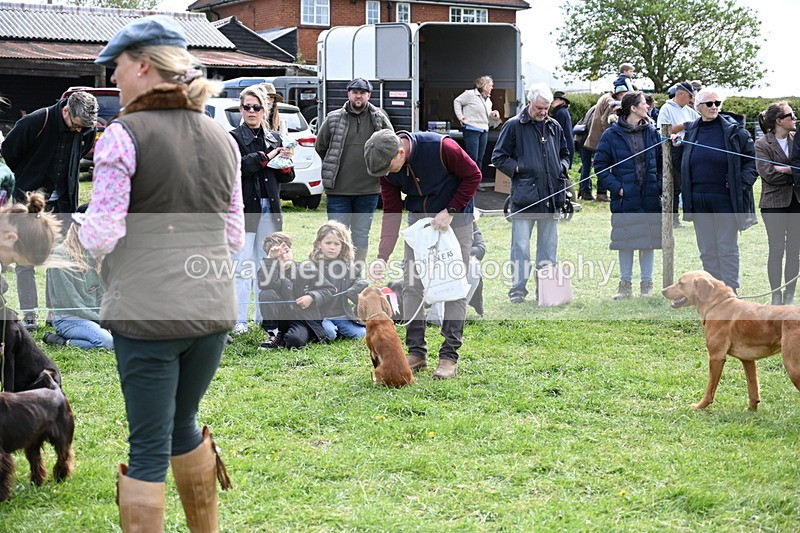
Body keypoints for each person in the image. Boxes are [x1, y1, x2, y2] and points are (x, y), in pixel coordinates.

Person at [78, 15, 244, 532]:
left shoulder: (122, 136)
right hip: (212, 309)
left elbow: (101, 232)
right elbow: (234, 236)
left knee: (147, 445)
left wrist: (83, 236)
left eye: (118, 67)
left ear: (144, 67)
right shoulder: (224, 136)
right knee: (183, 426)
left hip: (147, 312)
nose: (112, 79)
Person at [364, 127, 481, 379]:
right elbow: (392, 211)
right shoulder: (387, 167)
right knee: (411, 286)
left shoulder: (442, 147)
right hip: (419, 225)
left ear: (400, 152)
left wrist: (451, 209)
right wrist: (382, 256)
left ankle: (449, 357)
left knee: (453, 288)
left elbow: (473, 174)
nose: (385, 174)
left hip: (456, 221)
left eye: (387, 168)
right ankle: (416, 352)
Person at [2, 90, 98, 330]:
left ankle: (54, 313)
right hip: (30, 201)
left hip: (63, 202)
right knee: (25, 259)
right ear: (66, 110)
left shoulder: (84, 129)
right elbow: (9, 152)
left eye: (83, 128)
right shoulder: (36, 121)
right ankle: (30, 314)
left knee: (59, 257)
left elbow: (82, 149)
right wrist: (28, 176)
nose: (79, 131)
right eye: (76, 125)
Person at [491, 83, 570, 304]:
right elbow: (499, 157)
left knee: (548, 250)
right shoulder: (514, 126)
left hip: (552, 195)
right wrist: (519, 168)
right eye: (539, 108)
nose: (543, 113)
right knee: (521, 249)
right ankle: (518, 291)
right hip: (524, 196)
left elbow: (566, 152)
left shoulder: (554, 126)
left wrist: (561, 166)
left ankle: (545, 291)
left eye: (546, 108)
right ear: (529, 104)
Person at [229, 84, 294, 335]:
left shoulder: (275, 137)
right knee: (243, 267)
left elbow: (287, 177)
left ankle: (266, 320)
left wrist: (286, 162)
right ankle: (239, 320)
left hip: (271, 208)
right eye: (247, 107)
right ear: (241, 109)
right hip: (244, 211)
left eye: (257, 107)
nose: (251, 111)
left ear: (265, 109)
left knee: (266, 267)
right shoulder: (233, 137)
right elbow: (240, 167)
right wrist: (267, 156)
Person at [680, 89, 757, 291]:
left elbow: (751, 163)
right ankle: (712, 292)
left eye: (717, 102)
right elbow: (679, 163)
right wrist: (674, 148)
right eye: (709, 103)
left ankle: (730, 293)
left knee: (726, 249)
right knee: (707, 250)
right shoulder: (690, 130)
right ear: (698, 108)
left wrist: (740, 185)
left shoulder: (734, 131)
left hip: (725, 198)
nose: (714, 106)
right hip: (698, 199)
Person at [315, 77, 394, 265]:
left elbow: (391, 145)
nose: (358, 96)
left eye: (362, 93)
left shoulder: (379, 117)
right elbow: (321, 146)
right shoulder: (333, 118)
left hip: (369, 189)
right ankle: (335, 274)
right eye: (355, 92)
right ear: (348, 94)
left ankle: (356, 274)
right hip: (338, 190)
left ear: (369, 95)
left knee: (361, 235)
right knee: (335, 236)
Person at [594, 92, 663, 299]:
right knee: (625, 241)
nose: (647, 107)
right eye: (644, 104)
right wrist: (618, 188)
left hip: (649, 194)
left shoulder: (652, 132)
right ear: (633, 108)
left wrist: (658, 185)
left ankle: (646, 284)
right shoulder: (611, 135)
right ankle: (625, 285)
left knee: (648, 240)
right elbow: (600, 166)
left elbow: (661, 162)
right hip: (625, 196)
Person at [44, 207, 113, 350]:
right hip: (69, 318)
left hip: (94, 316)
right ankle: (60, 341)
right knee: (107, 341)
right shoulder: (60, 256)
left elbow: (103, 294)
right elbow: (72, 303)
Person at [258, 231, 335, 349]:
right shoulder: (269, 270)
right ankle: (273, 333)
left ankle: (285, 338)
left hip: (301, 318)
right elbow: (265, 284)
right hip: (279, 319)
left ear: (291, 250)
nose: (284, 257)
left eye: (287, 252)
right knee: (266, 293)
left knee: (295, 341)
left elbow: (329, 289)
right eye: (278, 256)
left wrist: (312, 297)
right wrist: (269, 260)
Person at [756, 102, 798, 305]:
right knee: (776, 250)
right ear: (779, 121)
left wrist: (786, 169)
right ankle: (776, 295)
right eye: (791, 115)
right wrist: (794, 172)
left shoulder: (796, 140)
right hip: (774, 204)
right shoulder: (762, 144)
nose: (795, 118)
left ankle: (789, 295)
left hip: (796, 201)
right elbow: (768, 174)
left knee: (794, 250)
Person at [312, 220, 368, 340]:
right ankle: (331, 330)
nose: (332, 247)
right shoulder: (312, 266)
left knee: (361, 334)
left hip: (341, 314)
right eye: (328, 243)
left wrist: (355, 288)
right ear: (319, 244)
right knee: (329, 335)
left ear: (343, 247)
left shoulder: (347, 266)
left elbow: (361, 280)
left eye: (337, 244)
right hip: (321, 315)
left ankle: (339, 329)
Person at [657, 81, 699, 228]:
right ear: (680, 94)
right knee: (674, 185)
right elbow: (664, 131)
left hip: (687, 149)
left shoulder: (689, 110)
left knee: (686, 183)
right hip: (672, 150)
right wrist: (684, 126)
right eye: (689, 96)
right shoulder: (666, 109)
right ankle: (672, 218)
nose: (691, 100)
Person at [584, 82, 629, 201]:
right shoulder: (611, 101)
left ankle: (586, 190)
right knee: (604, 165)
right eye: (623, 94)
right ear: (618, 94)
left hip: (595, 136)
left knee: (590, 166)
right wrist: (611, 136)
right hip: (600, 138)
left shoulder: (605, 97)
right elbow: (607, 120)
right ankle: (601, 193)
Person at [453, 75, 502, 167]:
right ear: (484, 86)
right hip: (471, 129)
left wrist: (493, 113)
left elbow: (486, 114)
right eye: (491, 85)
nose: (492, 87)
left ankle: (477, 179)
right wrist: (461, 117)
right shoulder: (470, 94)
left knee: (480, 158)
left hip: (484, 130)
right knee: (473, 157)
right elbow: (457, 101)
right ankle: (470, 178)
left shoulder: (488, 100)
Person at [550, 91, 575, 167]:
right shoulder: (563, 111)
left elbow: (557, 133)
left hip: (563, 147)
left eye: (555, 99)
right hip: (567, 146)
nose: (552, 101)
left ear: (562, 100)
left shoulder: (560, 112)